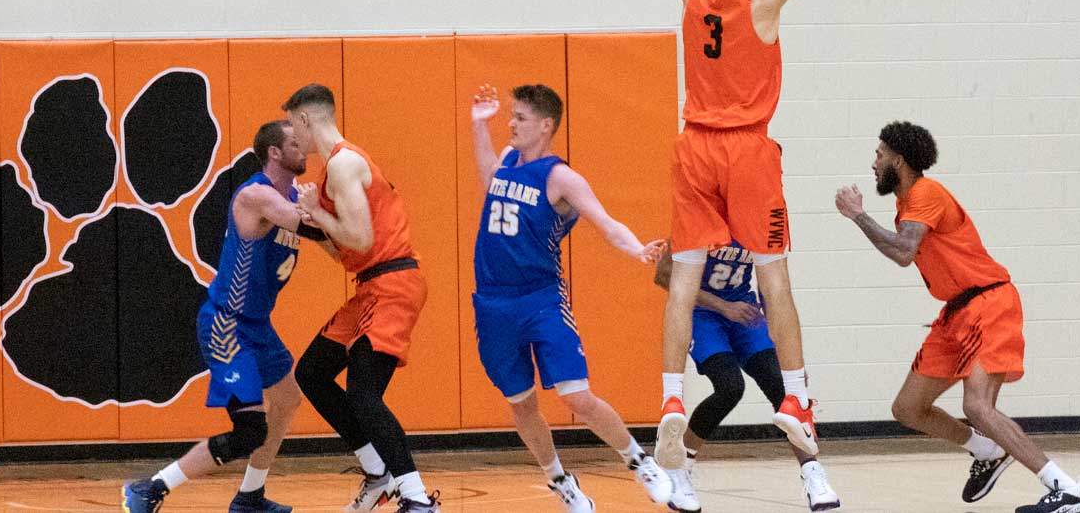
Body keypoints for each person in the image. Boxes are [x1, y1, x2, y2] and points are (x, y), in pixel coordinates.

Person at [635, 0, 826, 476]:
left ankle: (671, 397)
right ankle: (796, 399)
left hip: (695, 146)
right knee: (774, 277)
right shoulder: (765, 1)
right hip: (748, 150)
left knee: (683, 283)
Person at [834, 121, 1080, 513]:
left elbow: (904, 252)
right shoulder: (906, 203)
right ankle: (987, 450)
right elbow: (910, 253)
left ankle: (1068, 488)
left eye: (879, 154)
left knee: (977, 406)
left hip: (989, 304)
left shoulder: (926, 193)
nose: (874, 163)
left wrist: (858, 216)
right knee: (908, 408)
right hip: (957, 312)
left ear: (898, 160)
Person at [469, 83, 673, 513]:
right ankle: (560, 481)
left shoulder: (561, 177)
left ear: (545, 125)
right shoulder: (507, 159)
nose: (511, 123)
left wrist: (637, 249)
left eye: (520, 117)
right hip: (492, 303)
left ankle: (640, 462)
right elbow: (489, 181)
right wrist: (478, 127)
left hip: (540, 298)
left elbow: (606, 222)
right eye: (511, 116)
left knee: (577, 397)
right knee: (521, 405)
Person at [122, 121, 312, 513]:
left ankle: (250, 496)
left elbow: (330, 237)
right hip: (227, 325)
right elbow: (311, 225)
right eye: (296, 143)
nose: (304, 148)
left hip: (257, 325)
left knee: (288, 399)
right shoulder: (257, 195)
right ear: (274, 152)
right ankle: (150, 487)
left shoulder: (296, 197)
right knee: (250, 430)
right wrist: (331, 208)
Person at [284, 84, 438, 513]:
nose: (292, 134)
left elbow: (361, 237)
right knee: (312, 373)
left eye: (293, 124)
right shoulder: (331, 172)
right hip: (371, 284)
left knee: (364, 394)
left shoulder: (344, 163)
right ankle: (377, 474)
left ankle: (417, 498)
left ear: (306, 119)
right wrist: (312, 225)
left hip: (393, 283)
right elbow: (345, 252)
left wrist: (318, 214)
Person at [652, 244, 840, 512]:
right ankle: (680, 467)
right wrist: (724, 306)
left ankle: (813, 473)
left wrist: (788, 358)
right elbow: (663, 276)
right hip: (703, 315)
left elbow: (771, 287)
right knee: (729, 387)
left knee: (782, 387)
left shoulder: (757, 227)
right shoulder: (700, 222)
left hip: (744, 312)